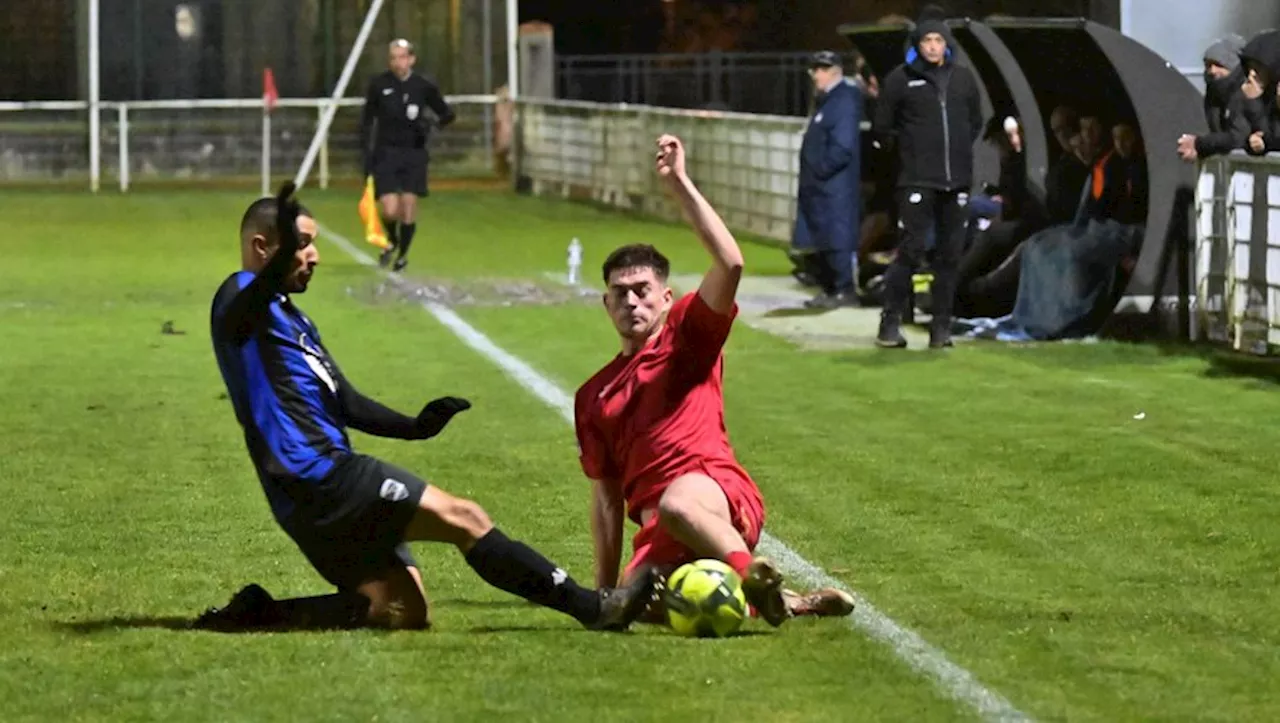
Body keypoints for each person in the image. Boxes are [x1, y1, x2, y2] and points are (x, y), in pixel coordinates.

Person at [197, 183, 657, 633]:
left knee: (400, 609)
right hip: (318, 476)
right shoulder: (237, 299)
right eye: (301, 245)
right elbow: (240, 313)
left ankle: (261, 613)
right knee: (466, 518)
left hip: (306, 493)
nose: (314, 255)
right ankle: (593, 608)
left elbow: (346, 401)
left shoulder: (293, 320)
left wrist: (416, 426)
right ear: (263, 248)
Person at [574, 135, 856, 628]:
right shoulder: (592, 395)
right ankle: (785, 600)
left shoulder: (687, 337)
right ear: (605, 304)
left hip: (714, 494)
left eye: (642, 291)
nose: (631, 302)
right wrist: (603, 592)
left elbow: (730, 262)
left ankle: (749, 571)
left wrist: (678, 183)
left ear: (666, 298)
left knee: (678, 502)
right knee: (641, 599)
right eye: (619, 294)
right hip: (659, 528)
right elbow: (606, 499)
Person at [872, 17, 984, 349]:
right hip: (918, 181)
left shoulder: (963, 79)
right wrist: (911, 157)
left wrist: (959, 156)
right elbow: (883, 128)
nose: (934, 46)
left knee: (949, 257)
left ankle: (941, 328)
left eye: (938, 40)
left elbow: (973, 122)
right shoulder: (900, 80)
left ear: (947, 43)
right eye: (927, 41)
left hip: (957, 182)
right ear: (918, 45)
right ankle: (889, 323)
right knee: (911, 250)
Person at [360, 39, 455, 272]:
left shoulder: (423, 86)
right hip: (386, 152)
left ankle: (403, 255)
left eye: (402, 57)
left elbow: (447, 114)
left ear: (411, 59)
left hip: (413, 153)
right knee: (390, 209)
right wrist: (366, 152)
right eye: (393, 57)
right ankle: (391, 240)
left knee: (409, 205)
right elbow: (367, 119)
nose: (398, 62)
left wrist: (430, 124)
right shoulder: (379, 84)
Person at [792, 50, 863, 309]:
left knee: (837, 237)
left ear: (832, 71)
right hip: (821, 186)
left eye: (819, 70)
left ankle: (844, 290)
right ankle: (830, 289)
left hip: (834, 186)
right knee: (823, 237)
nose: (814, 75)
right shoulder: (828, 100)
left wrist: (821, 170)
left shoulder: (843, 99)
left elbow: (842, 146)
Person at [1177, 35, 1253, 162]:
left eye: (1219, 64)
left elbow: (1238, 137)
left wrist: (1199, 144)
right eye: (1208, 65)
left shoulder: (1245, 92)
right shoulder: (1213, 96)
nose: (1212, 71)